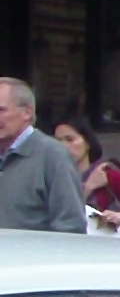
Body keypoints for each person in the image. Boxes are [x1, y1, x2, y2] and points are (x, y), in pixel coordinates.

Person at [52, 116, 120, 236]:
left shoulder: (106, 175)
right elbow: (59, 215)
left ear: (87, 143)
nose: (63, 146)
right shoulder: (52, 177)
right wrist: (88, 188)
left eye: (70, 139)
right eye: (58, 141)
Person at [0, 77, 86, 233]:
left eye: (1, 110)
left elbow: (70, 225)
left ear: (26, 112)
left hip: (34, 255)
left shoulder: (52, 155)